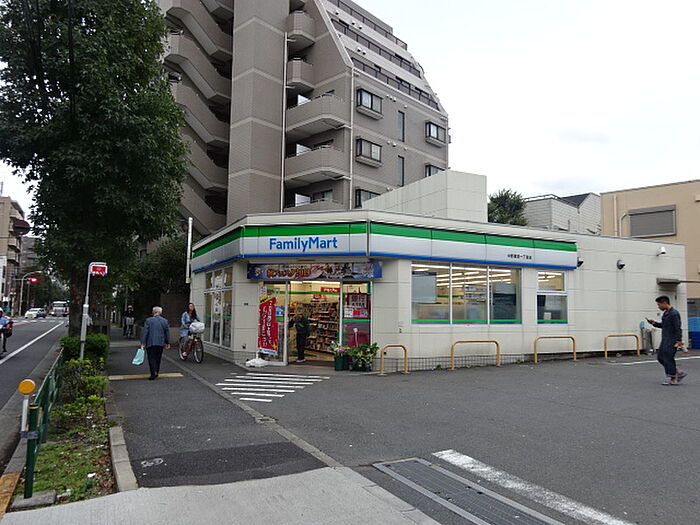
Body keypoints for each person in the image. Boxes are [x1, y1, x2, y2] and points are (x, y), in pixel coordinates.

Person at [646, 295, 686, 385]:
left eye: (659, 304)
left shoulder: (674, 313)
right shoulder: (666, 313)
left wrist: (679, 340)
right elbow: (663, 325)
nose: (658, 306)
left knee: (668, 358)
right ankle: (678, 372)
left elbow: (678, 328)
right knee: (660, 357)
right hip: (665, 339)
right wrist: (654, 323)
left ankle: (672, 378)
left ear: (664, 303)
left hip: (672, 339)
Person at [140, 306, 170, 380]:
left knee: (151, 358)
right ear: (160, 312)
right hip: (160, 342)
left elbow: (145, 332)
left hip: (150, 342)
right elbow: (167, 332)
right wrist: (167, 342)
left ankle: (153, 372)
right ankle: (156, 371)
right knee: (158, 358)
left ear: (153, 312)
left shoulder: (148, 320)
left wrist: (143, 342)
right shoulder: (165, 321)